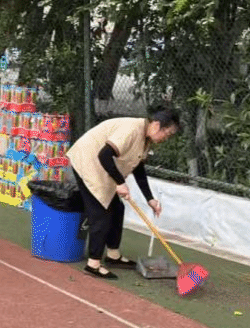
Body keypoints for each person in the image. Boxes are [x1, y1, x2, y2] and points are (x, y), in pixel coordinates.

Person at [67, 109, 181, 279]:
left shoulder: (145, 138)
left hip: (101, 166)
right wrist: (120, 183)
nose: (167, 138)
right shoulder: (132, 130)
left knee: (117, 208)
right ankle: (93, 264)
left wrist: (150, 199)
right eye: (168, 133)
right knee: (101, 213)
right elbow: (104, 154)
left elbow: (138, 168)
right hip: (88, 161)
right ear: (157, 125)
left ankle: (113, 256)